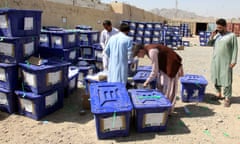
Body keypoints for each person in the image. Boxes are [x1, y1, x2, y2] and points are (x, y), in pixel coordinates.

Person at [132, 44, 184, 113]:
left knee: (169, 89)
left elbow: (155, 70)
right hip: (165, 65)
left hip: (172, 65)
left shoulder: (151, 51)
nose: (139, 57)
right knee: (161, 85)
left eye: (138, 55)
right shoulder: (148, 48)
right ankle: (163, 107)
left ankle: (167, 110)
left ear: (141, 51)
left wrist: (147, 82)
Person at [208, 18, 238, 107]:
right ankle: (218, 94)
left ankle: (227, 98)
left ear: (225, 27)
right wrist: (212, 36)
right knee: (216, 77)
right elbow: (209, 44)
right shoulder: (217, 35)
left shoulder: (232, 36)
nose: (218, 29)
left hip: (226, 61)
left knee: (227, 80)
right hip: (216, 60)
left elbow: (235, 49)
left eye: (220, 28)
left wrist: (233, 61)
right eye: (217, 27)